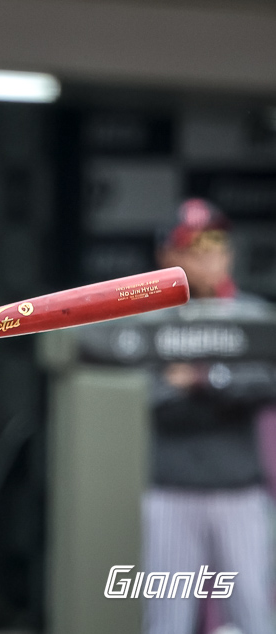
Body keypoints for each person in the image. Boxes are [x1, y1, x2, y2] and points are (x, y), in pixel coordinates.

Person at [142, 198, 276, 634]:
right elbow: (146, 395)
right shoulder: (150, 320)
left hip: (239, 489)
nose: (208, 255)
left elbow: (266, 383)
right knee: (166, 619)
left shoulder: (253, 316)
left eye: (216, 242)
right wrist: (221, 382)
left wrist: (205, 377)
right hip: (171, 488)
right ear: (168, 254)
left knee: (254, 614)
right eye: (194, 245)